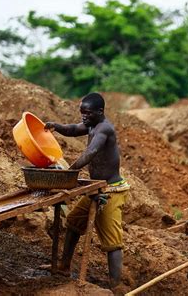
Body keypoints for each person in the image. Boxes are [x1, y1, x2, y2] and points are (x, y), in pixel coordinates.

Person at [45, 92, 130, 287]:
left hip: (111, 191)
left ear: (100, 112)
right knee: (74, 223)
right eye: (82, 113)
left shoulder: (104, 129)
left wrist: (70, 171)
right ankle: (64, 267)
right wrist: (56, 127)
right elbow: (74, 129)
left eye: (88, 113)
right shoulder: (91, 124)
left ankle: (115, 286)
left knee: (112, 243)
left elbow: (90, 152)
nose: (84, 117)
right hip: (95, 187)